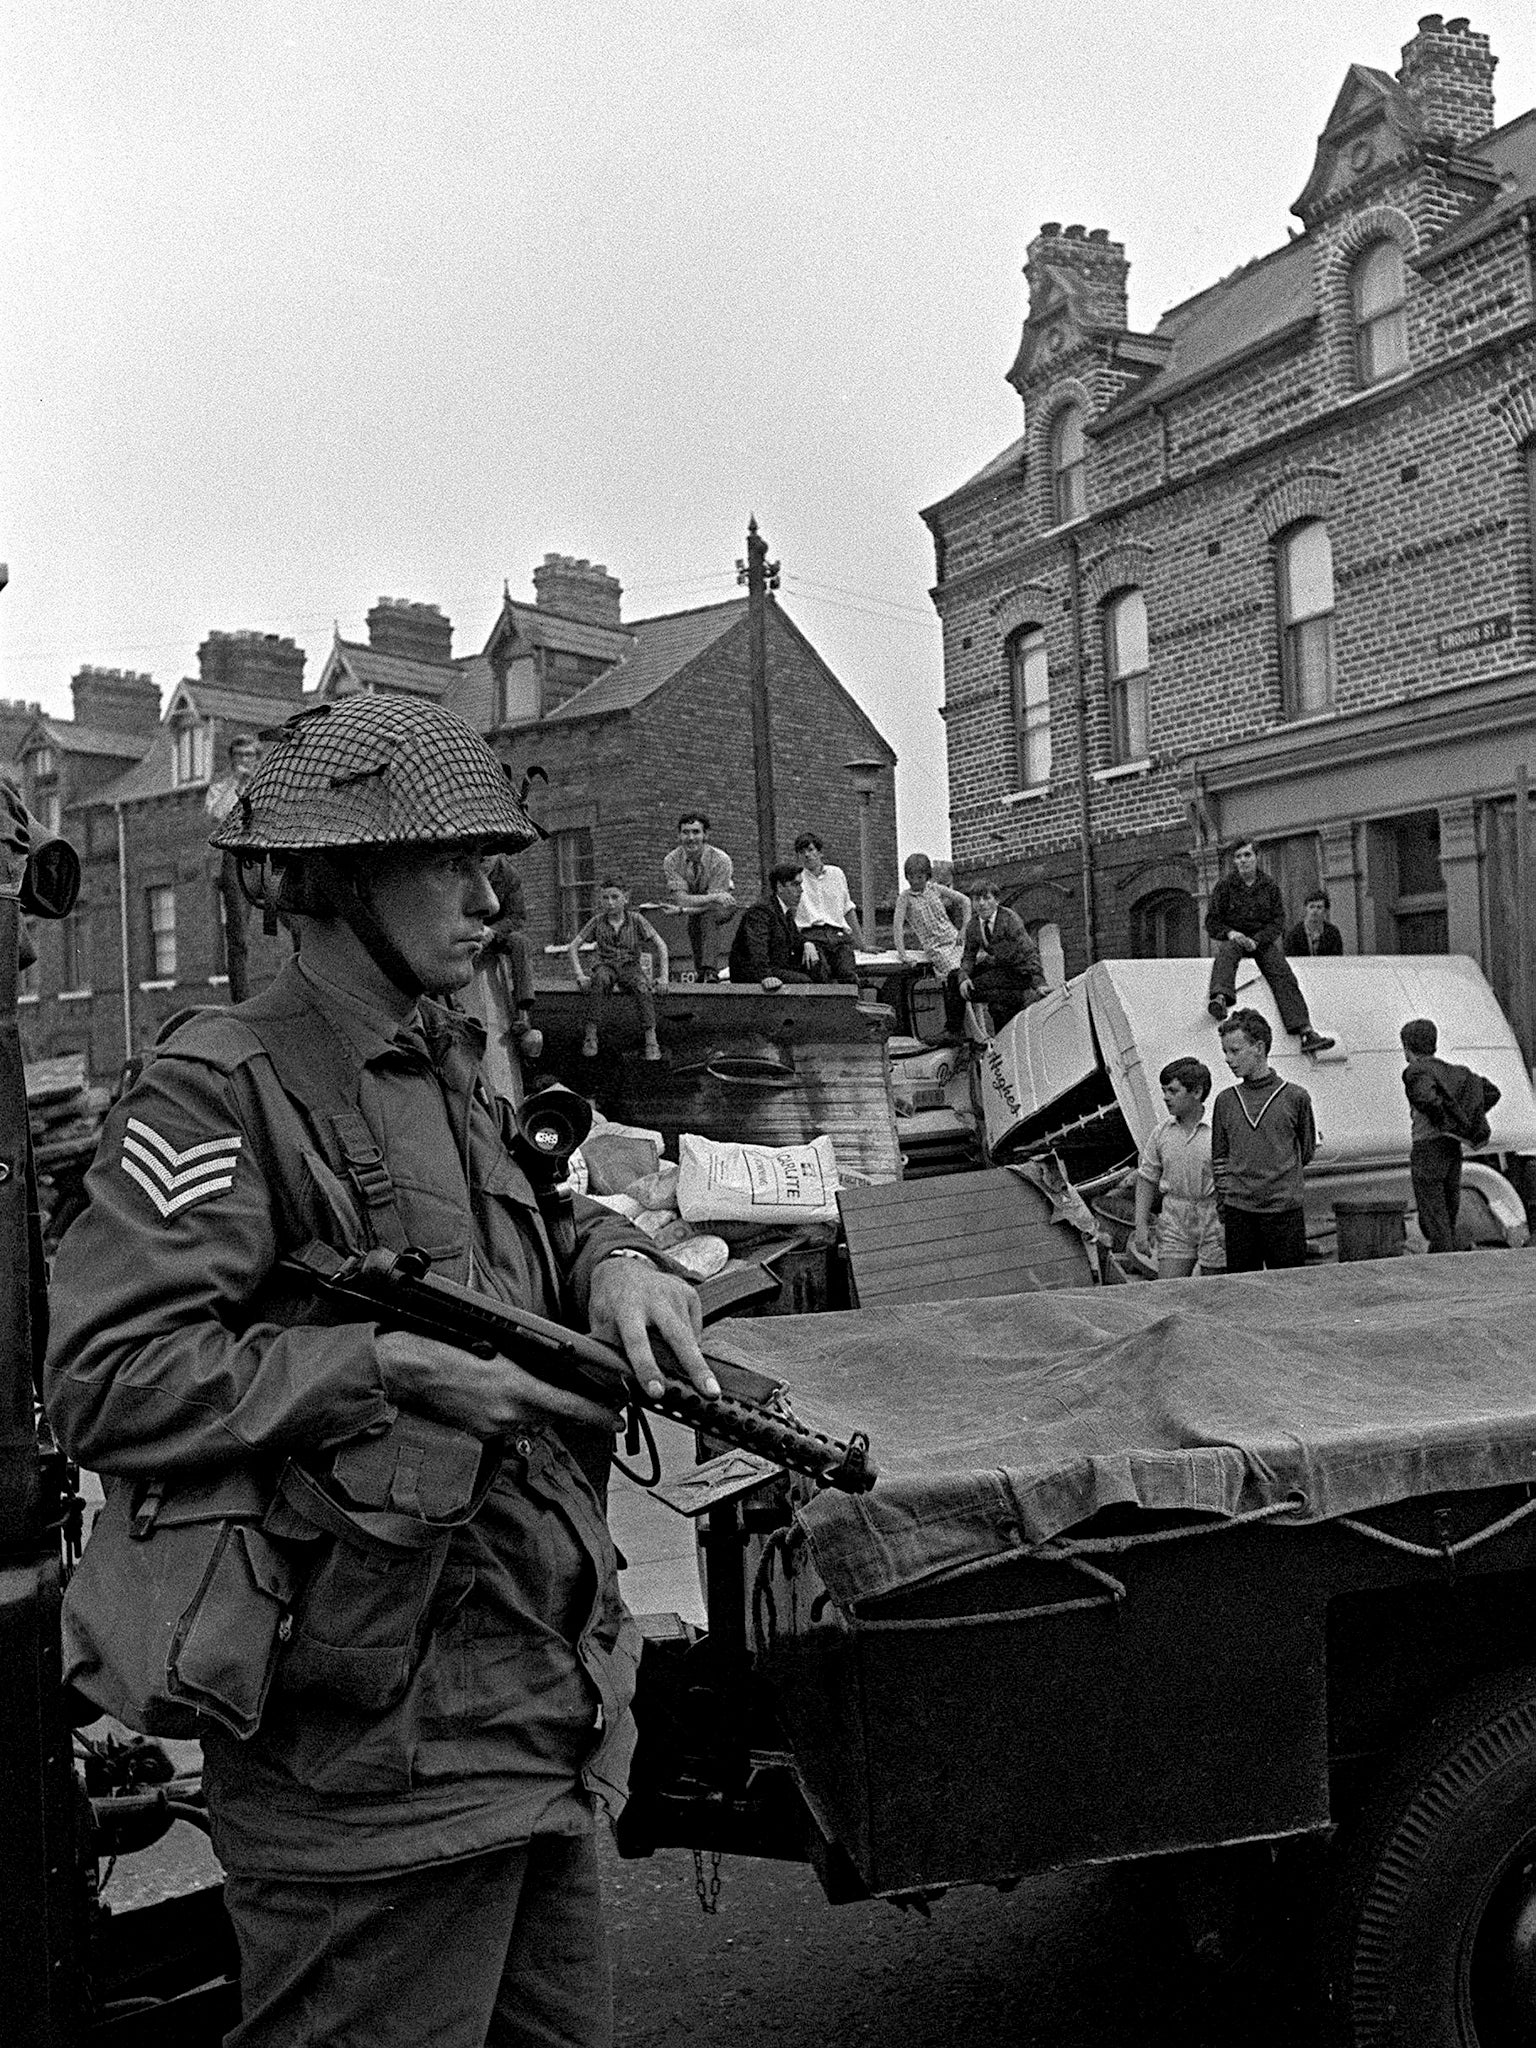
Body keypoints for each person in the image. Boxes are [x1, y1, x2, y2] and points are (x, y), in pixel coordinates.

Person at [44, 695, 720, 2048]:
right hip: (364, 1766)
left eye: (494, 863)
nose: (492, 898)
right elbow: (106, 1374)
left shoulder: (442, 1059)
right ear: (338, 882)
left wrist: (619, 1265)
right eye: (448, 863)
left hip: (531, 1710)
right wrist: (391, 1372)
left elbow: (532, 1219)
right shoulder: (218, 1090)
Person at [1211, 1006, 1318, 1271]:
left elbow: (1305, 1151)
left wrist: (1277, 1182)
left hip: (1284, 1214)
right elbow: (1220, 1159)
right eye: (1225, 1052)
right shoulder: (1225, 1101)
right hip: (1239, 1214)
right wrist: (1224, 1209)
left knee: (1287, 1291)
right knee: (1244, 1292)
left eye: (1235, 1051)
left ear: (1259, 1047)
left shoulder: (1295, 1097)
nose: (1228, 1059)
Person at [1205, 841, 1334, 1054]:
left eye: (1247, 855)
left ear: (1256, 858)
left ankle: (1306, 1031)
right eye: (1238, 857)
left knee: (1282, 973)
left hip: (1261, 942)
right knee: (1225, 956)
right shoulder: (1224, 886)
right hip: (1235, 938)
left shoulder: (1269, 886)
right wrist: (1231, 934)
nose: (1243, 860)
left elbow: (1278, 921)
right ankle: (1219, 999)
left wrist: (1257, 940)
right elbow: (1212, 921)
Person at [1399, 1016, 1501, 1253]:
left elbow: (1425, 1098)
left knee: (1434, 1218)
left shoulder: (1415, 1071)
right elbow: (1491, 1093)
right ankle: (1448, 1258)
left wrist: (1444, 1121)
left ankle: (1444, 1265)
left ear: (1407, 1046)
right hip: (1452, 1149)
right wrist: (1463, 1121)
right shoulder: (1458, 1073)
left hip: (1427, 1148)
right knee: (1448, 1211)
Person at [1130, 1057, 1225, 1278]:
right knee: (1170, 1288)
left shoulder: (1217, 1130)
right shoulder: (1162, 1132)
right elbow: (1146, 1179)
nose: (1165, 1098)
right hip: (1175, 1215)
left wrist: (1228, 1223)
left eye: (1173, 1091)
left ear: (1197, 1092)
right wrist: (1141, 1226)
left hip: (1213, 1215)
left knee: (1217, 1290)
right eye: (1164, 1091)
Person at [569, 878, 667, 1061]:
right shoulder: (597, 921)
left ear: (625, 899)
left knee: (642, 987)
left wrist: (664, 977)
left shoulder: (636, 920)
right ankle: (591, 1036)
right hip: (606, 965)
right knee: (600, 981)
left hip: (630, 966)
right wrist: (579, 975)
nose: (610, 902)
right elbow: (573, 947)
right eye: (605, 898)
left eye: (615, 897)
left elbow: (661, 945)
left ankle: (651, 1041)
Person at [205, 731, 261, 1002]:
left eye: (249, 755)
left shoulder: (266, 785)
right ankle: (241, 999)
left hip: (266, 854)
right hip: (236, 857)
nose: (244, 761)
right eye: (240, 756)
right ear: (231, 759)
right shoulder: (220, 788)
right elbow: (219, 814)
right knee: (238, 934)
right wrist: (236, 785)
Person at [892, 853, 970, 1040]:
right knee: (955, 977)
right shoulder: (905, 898)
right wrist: (902, 954)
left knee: (963, 979)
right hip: (936, 948)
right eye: (911, 877)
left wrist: (964, 929)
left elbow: (965, 901)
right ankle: (958, 1030)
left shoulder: (935, 889)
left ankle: (969, 1031)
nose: (915, 881)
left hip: (954, 940)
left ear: (927, 875)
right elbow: (897, 926)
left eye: (919, 877)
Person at [957, 882, 1047, 1031]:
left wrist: (1039, 983)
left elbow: (1029, 951)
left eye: (986, 898)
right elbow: (968, 957)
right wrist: (964, 977)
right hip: (999, 970)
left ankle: (1024, 995)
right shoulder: (973, 925)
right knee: (956, 979)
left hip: (1017, 973)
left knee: (991, 989)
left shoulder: (1009, 919)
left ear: (996, 901)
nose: (981, 904)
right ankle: (956, 1033)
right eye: (976, 900)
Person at [480, 852, 543, 1061]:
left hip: (493, 934)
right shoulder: (463, 868)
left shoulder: (509, 875)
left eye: (492, 853)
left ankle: (523, 1013)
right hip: (464, 930)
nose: (486, 858)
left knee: (520, 942)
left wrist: (493, 931)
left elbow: (517, 917)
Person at [660, 813, 736, 981]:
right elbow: (682, 898)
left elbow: (716, 904)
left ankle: (709, 970)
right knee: (694, 925)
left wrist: (683, 909)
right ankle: (702, 974)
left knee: (707, 917)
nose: (691, 838)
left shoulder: (721, 860)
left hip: (723, 907)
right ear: (679, 835)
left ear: (705, 835)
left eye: (696, 832)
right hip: (704, 904)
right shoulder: (671, 860)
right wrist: (687, 905)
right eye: (685, 832)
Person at [728, 862, 822, 989]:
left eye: (800, 885)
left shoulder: (784, 912)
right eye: (795, 885)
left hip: (776, 968)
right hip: (753, 974)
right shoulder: (761, 911)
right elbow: (756, 947)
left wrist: (807, 944)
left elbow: (795, 938)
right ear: (779, 886)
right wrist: (765, 976)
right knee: (803, 982)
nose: (801, 890)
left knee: (818, 966)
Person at [791, 831, 863, 985]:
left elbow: (848, 908)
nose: (807, 855)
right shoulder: (796, 879)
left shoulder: (837, 874)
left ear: (819, 852)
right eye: (801, 852)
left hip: (837, 934)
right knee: (818, 972)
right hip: (812, 936)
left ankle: (851, 1007)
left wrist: (861, 943)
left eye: (810, 850)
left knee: (847, 974)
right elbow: (791, 915)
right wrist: (802, 942)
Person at [1284, 888, 1344, 959]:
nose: (1314, 911)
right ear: (1305, 909)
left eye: (1319, 907)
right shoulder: (1293, 934)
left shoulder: (1333, 933)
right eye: (1311, 907)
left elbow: (1337, 959)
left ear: (1326, 911)